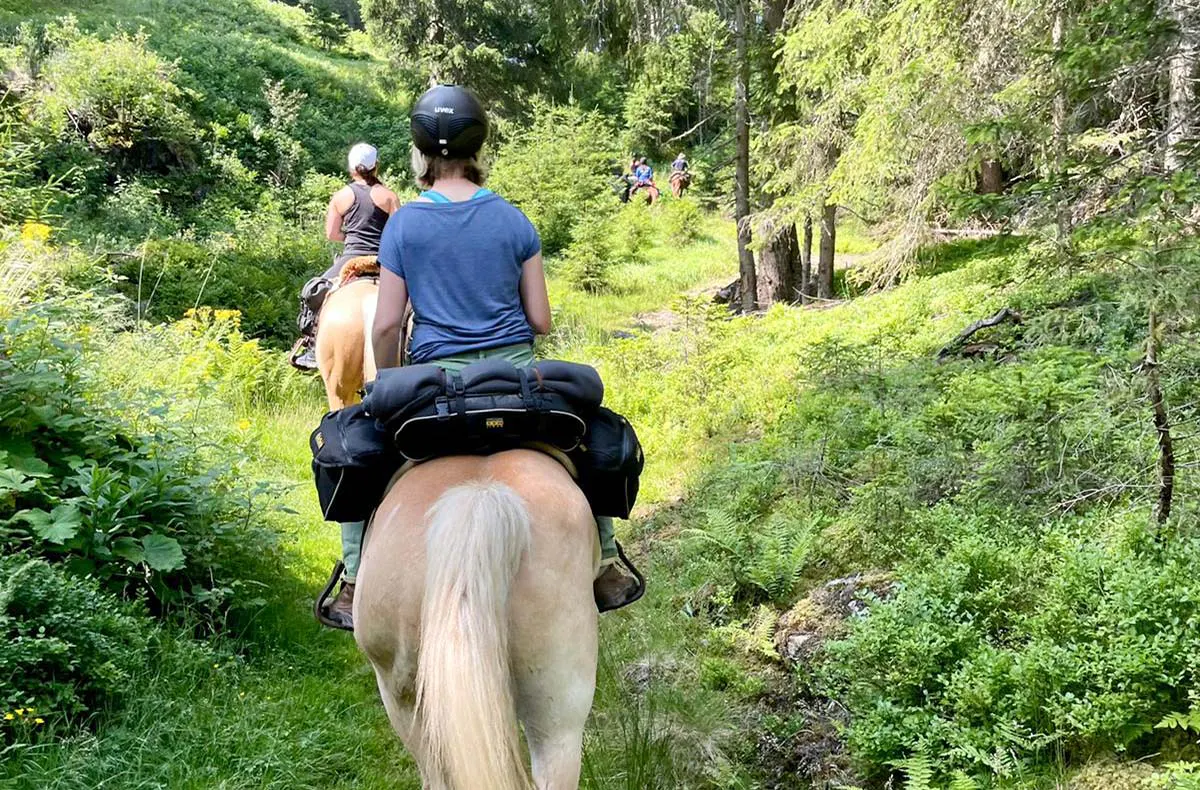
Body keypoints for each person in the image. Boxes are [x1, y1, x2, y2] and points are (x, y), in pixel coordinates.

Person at [369, 84, 642, 613]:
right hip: (515, 381)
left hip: (435, 386)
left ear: (420, 152)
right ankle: (606, 561)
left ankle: (356, 578)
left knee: (364, 450)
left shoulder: (403, 224)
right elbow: (540, 319)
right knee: (586, 440)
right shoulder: (515, 221)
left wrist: (389, 382)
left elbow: (384, 326)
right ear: (479, 149)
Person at [290, 143, 400, 371]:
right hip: (384, 261)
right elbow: (398, 236)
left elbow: (331, 233)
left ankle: (311, 347)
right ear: (376, 166)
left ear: (352, 169)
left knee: (312, 292)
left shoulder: (341, 196)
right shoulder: (389, 197)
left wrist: (350, 237)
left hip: (350, 258)